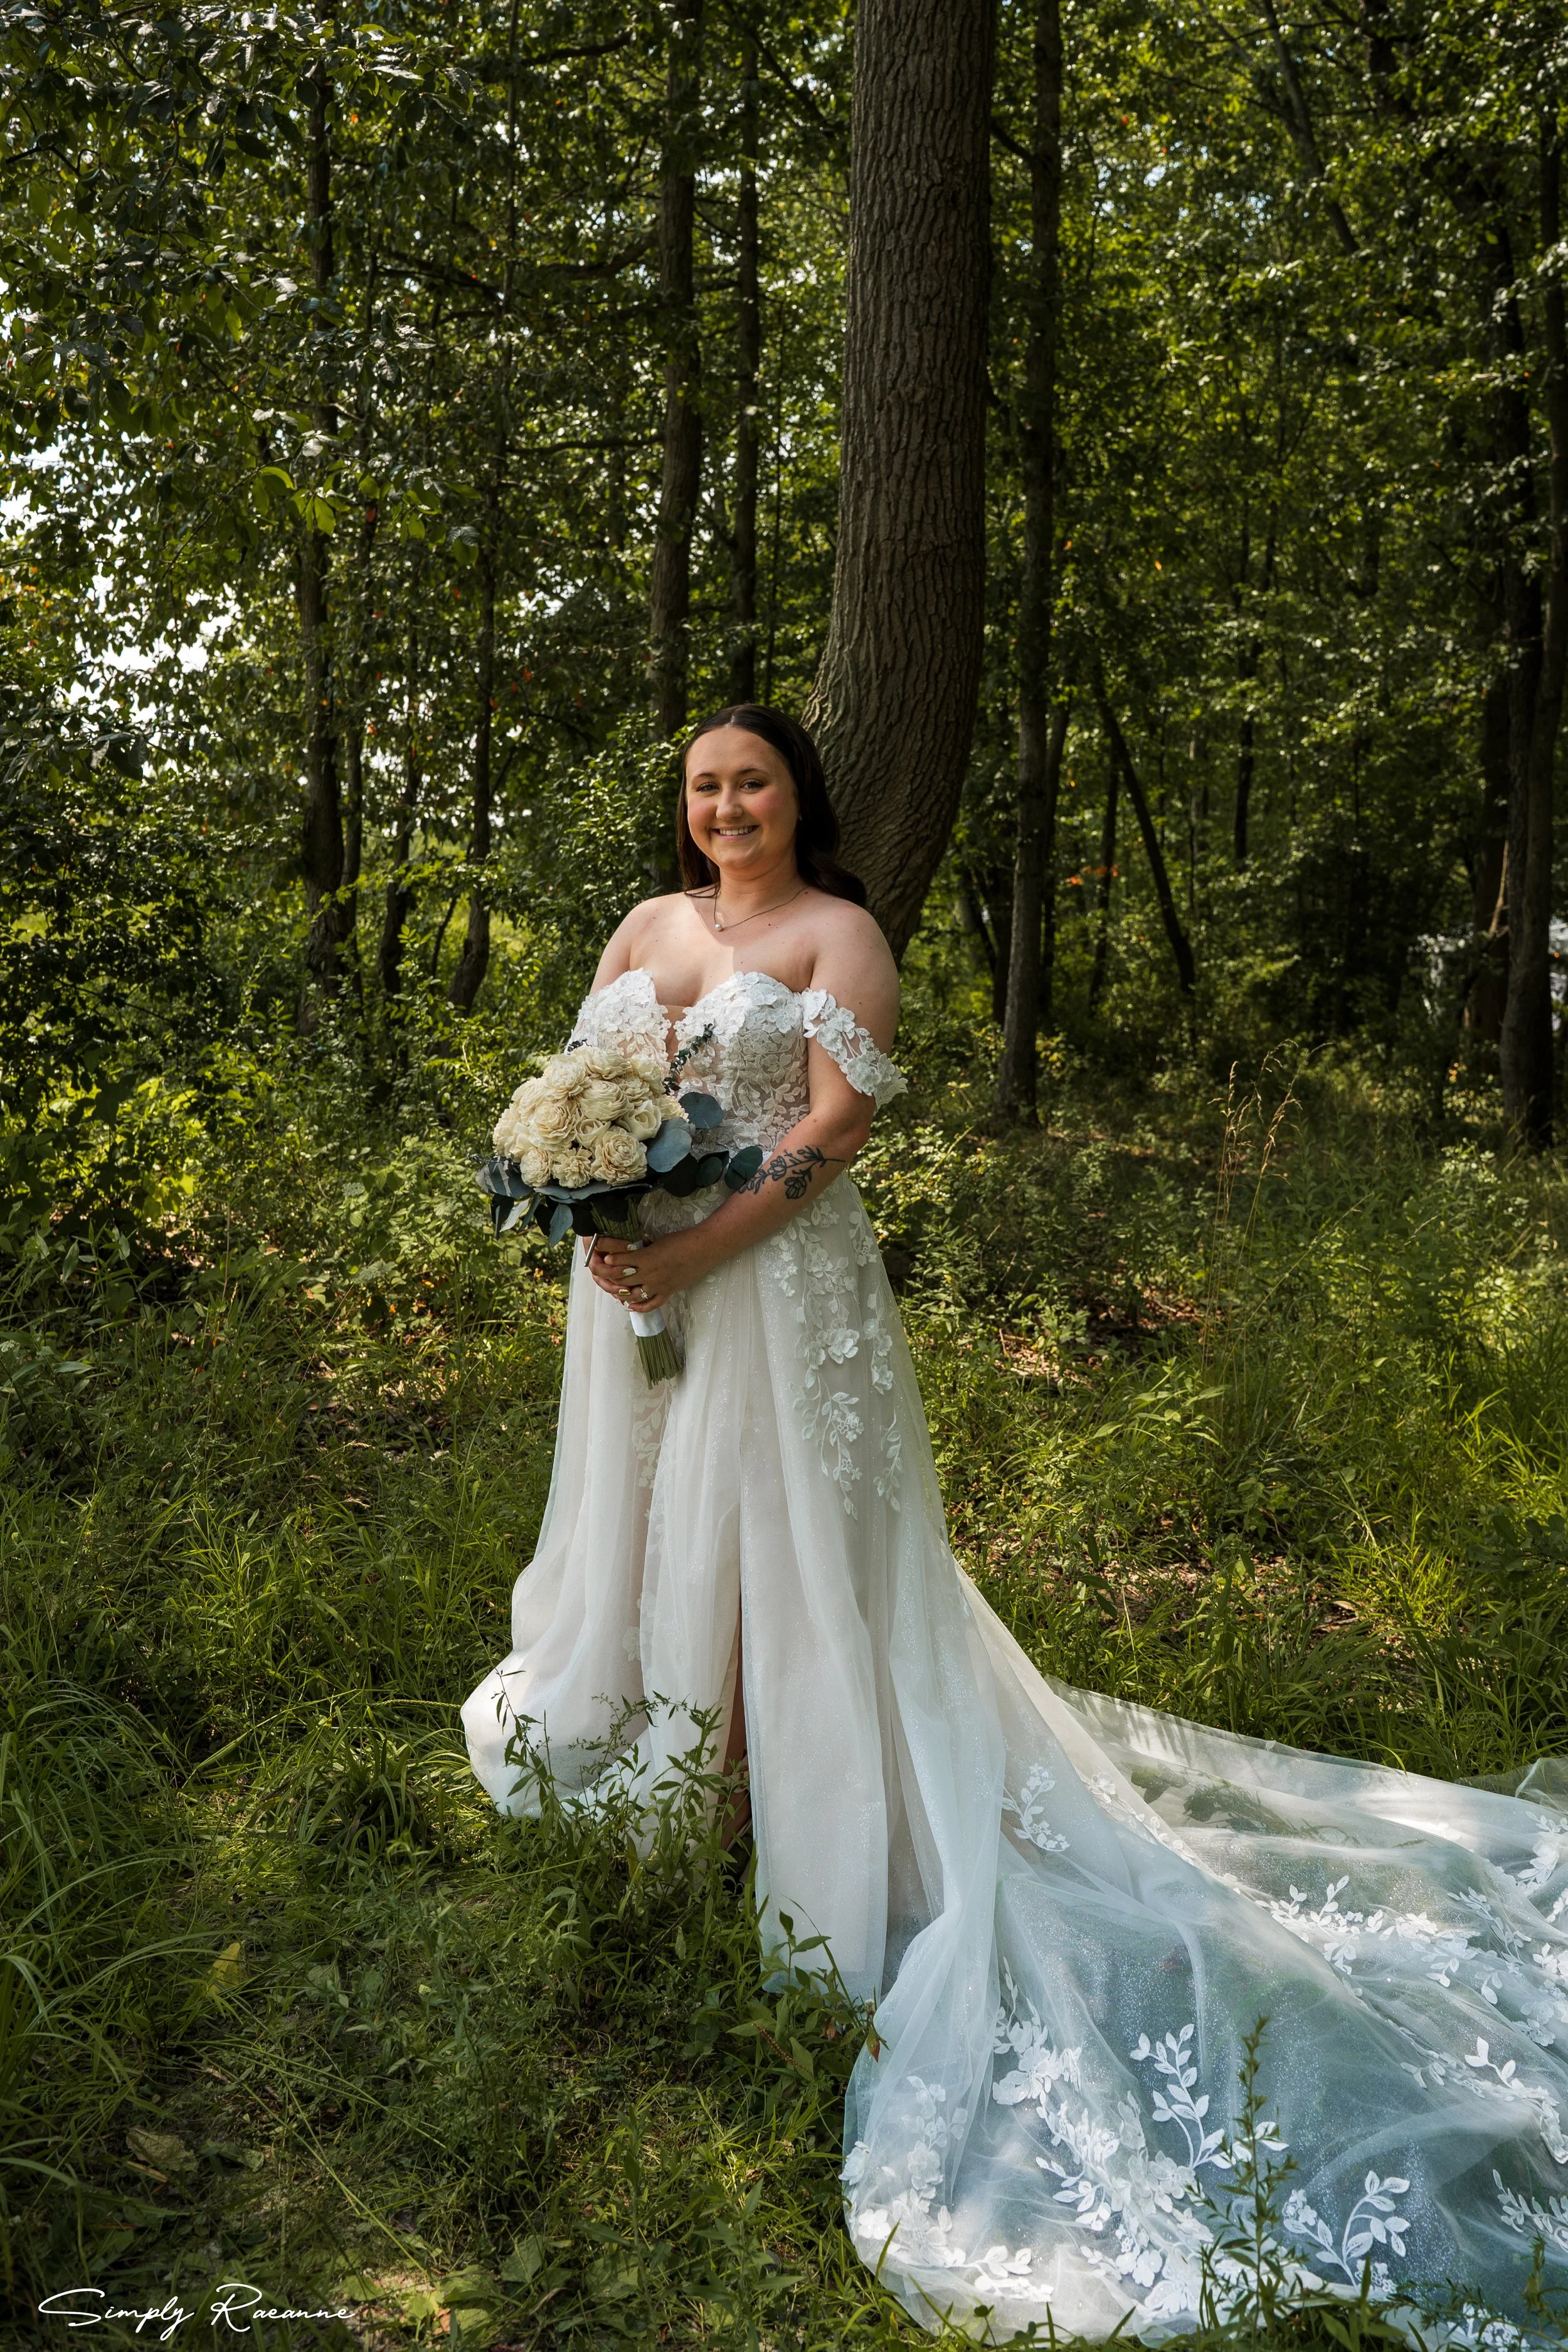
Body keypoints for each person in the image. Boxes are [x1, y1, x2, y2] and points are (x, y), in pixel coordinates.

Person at [464, 704, 1568, 2341]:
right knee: (655, 1530)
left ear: (796, 796)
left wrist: (695, 1250)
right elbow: (593, 1088)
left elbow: (830, 1129)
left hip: (774, 1291)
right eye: (702, 785)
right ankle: (686, 1776)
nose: (723, 807)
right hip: (634, 1285)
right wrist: (593, 1200)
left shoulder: (845, 934)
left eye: (750, 781)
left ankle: (803, 1822)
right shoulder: (642, 925)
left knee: (797, 1554)